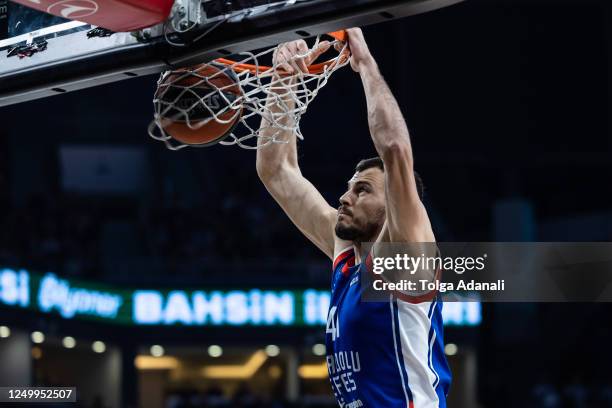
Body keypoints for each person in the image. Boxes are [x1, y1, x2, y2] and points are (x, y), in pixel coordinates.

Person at [256, 28, 451, 408]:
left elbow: (394, 147)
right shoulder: (346, 257)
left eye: (362, 190)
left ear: (393, 205)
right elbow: (276, 170)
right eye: (349, 187)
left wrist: (364, 64)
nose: (344, 197)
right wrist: (283, 81)